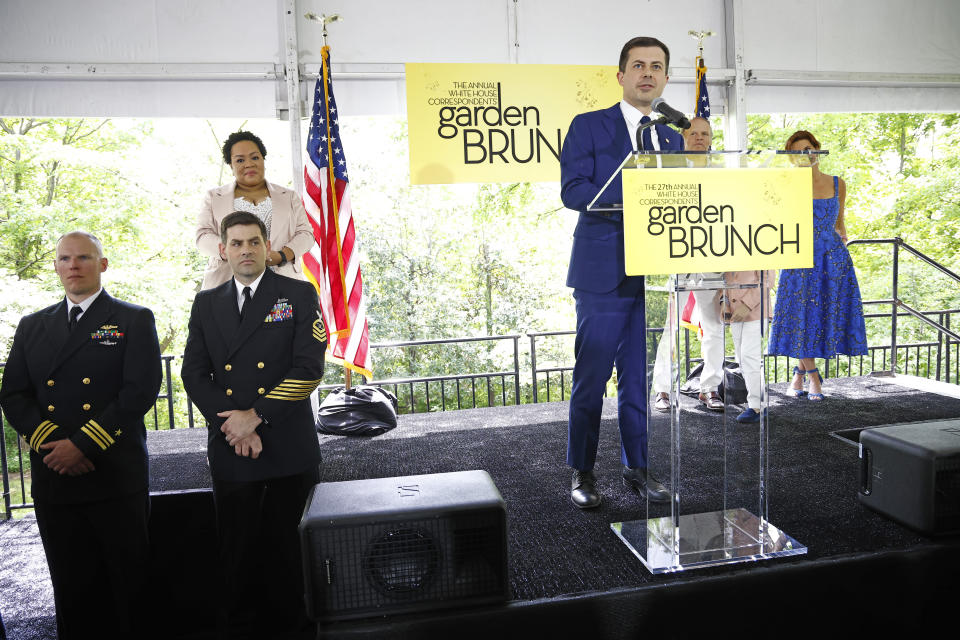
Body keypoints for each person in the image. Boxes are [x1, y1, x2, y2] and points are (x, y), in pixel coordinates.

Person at [0, 231, 162, 639]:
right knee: (71, 588)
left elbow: (139, 391)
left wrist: (82, 445)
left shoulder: (133, 318)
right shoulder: (33, 325)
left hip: (113, 473)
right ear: (55, 266)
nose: (74, 265)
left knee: (130, 586)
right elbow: (14, 394)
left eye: (84, 258)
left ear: (102, 264)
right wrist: (54, 445)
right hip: (55, 475)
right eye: (65, 258)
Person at [181, 211, 326, 639]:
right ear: (223, 250)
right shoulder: (207, 302)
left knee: (292, 553)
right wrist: (235, 427)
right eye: (237, 243)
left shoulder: (299, 294)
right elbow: (194, 373)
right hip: (232, 445)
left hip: (286, 444)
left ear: (268, 247)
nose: (246, 250)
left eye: (254, 242)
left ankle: (299, 630)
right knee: (237, 553)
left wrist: (256, 417)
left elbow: (309, 368)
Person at [560, 36, 684, 509]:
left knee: (638, 379)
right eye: (638, 66)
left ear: (666, 78)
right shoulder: (589, 126)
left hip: (652, 270)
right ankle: (582, 472)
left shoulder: (671, 137)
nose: (647, 73)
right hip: (601, 269)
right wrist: (632, 197)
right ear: (621, 76)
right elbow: (573, 191)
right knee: (592, 377)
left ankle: (638, 468)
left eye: (656, 66)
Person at [768, 130, 868, 399]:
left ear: (817, 150)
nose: (806, 155)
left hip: (832, 258)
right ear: (792, 159)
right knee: (801, 319)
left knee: (821, 317)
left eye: (809, 149)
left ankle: (798, 376)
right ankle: (814, 378)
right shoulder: (786, 185)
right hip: (798, 257)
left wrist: (842, 245)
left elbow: (839, 222)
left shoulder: (838, 183)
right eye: (798, 152)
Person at [651, 117, 726, 413]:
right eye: (693, 132)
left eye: (704, 133)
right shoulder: (670, 169)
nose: (698, 137)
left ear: (710, 138)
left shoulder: (722, 172)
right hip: (678, 255)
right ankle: (663, 391)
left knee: (714, 327)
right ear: (683, 137)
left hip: (713, 258)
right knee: (671, 330)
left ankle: (709, 389)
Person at [196, 130, 315, 290]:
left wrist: (281, 256)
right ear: (231, 165)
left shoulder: (288, 196)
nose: (249, 164)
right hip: (226, 283)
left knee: (282, 316)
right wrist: (233, 252)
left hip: (281, 282)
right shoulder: (214, 197)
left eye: (255, 157)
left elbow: (306, 234)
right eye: (239, 160)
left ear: (263, 159)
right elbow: (202, 236)